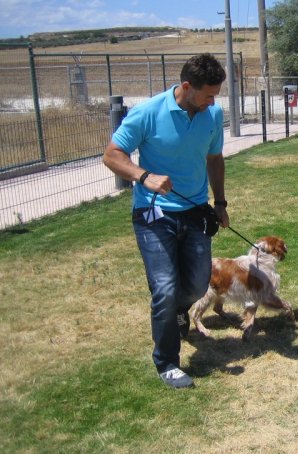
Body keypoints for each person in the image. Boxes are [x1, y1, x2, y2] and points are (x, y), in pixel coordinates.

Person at [103, 54, 230, 388]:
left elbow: (215, 159)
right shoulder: (148, 112)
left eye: (216, 95)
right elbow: (112, 155)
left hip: (196, 212)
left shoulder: (212, 115)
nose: (213, 102)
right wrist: (144, 176)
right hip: (153, 214)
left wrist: (220, 202)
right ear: (187, 87)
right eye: (208, 95)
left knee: (196, 284)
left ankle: (177, 310)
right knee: (165, 287)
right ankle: (167, 362)